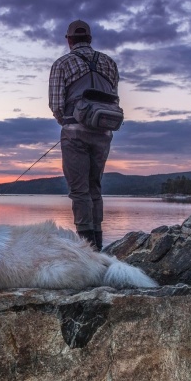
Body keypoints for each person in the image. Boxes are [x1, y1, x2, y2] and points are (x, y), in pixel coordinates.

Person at [48, 19, 119, 251]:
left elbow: (56, 105)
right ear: (89, 38)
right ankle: (98, 245)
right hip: (104, 133)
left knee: (79, 191)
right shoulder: (110, 63)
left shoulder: (62, 63)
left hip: (74, 134)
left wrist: (68, 123)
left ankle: (88, 249)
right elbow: (113, 98)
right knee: (94, 188)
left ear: (69, 40)